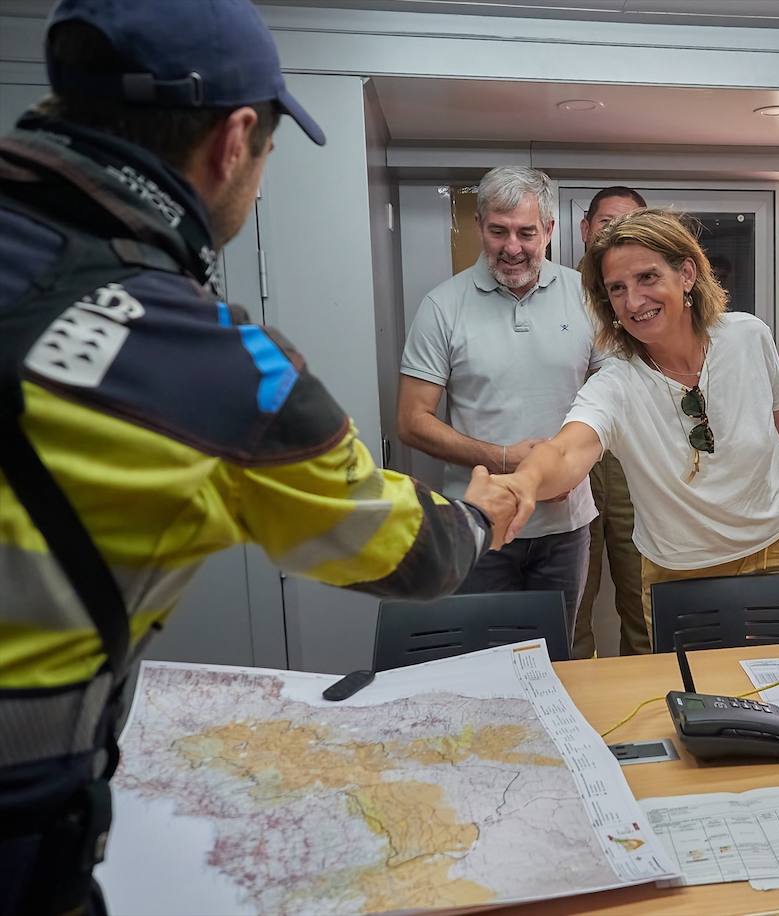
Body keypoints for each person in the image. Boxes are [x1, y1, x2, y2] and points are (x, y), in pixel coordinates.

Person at [0, 2, 517, 913]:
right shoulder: (215, 366)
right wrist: (478, 513)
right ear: (235, 140)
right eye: (272, 153)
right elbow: (413, 553)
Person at [496, 209, 779, 643]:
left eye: (647, 278)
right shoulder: (616, 383)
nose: (634, 301)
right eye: (617, 289)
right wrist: (524, 482)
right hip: (686, 569)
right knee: (703, 699)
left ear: (686, 273)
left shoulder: (747, 337)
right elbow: (569, 450)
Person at [398, 166, 602, 635]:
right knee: (483, 660)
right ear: (479, 228)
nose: (512, 247)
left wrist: (570, 466)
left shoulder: (586, 297)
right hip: (477, 524)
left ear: (549, 230)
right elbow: (412, 420)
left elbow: (614, 400)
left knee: (556, 656)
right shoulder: (442, 306)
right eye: (499, 231)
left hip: (564, 528)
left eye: (527, 232)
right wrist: (505, 459)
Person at [572, 186, 650, 658]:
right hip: (573, 454)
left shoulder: (648, 297)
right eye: (607, 223)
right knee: (574, 598)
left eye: (631, 223)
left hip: (628, 461)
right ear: (585, 231)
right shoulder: (559, 290)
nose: (618, 233)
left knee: (641, 594)